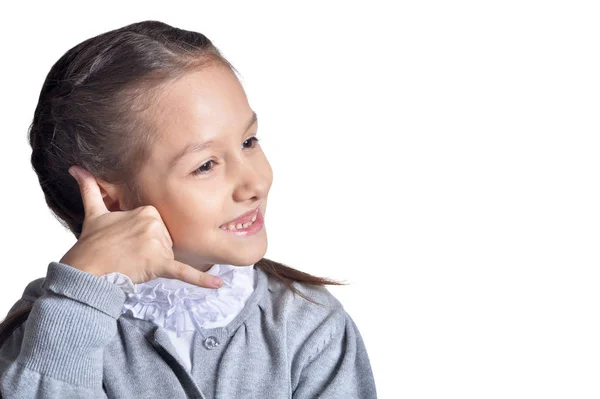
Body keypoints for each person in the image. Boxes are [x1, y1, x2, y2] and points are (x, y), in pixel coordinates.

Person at [0, 20, 377, 398]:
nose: (255, 184)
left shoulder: (309, 326)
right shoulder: (45, 330)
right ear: (108, 197)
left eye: (249, 141)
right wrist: (77, 300)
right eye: (206, 165)